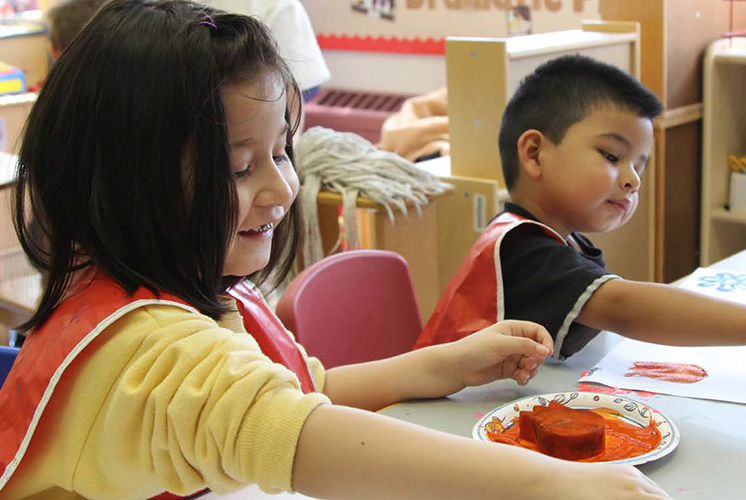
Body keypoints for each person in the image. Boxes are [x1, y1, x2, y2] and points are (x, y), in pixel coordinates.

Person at [0, 3, 669, 498]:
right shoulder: (145, 351)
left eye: (281, 151)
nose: (281, 189)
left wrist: (441, 366)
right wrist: (550, 485)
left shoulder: (191, 292)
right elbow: (296, 435)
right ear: (123, 183)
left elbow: (302, 392)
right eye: (237, 168)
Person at [415, 54, 746, 359]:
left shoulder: (567, 242)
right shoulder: (520, 248)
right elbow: (623, 307)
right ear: (534, 153)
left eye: (639, 166)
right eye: (612, 156)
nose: (634, 180)